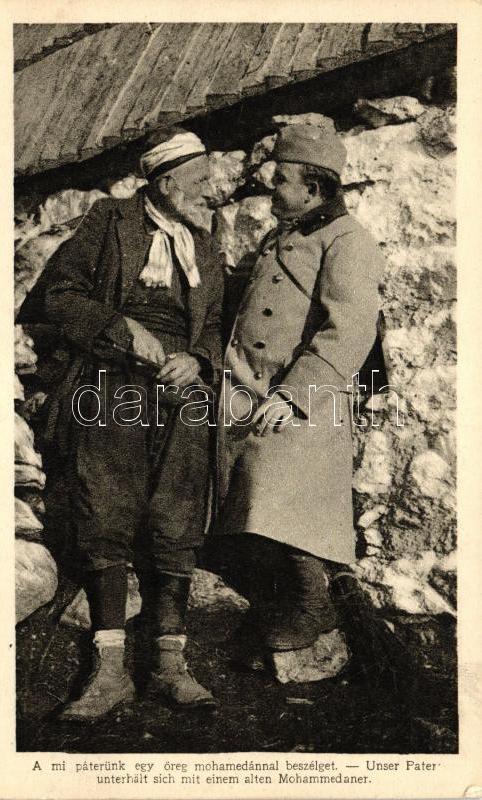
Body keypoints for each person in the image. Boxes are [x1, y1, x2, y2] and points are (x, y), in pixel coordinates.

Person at [21, 127, 223, 718]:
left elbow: (213, 325)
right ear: (165, 184)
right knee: (105, 510)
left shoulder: (205, 244)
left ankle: (168, 664)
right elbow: (52, 298)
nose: (209, 193)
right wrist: (120, 329)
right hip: (111, 383)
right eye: (199, 182)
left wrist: (200, 359)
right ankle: (109, 670)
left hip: (179, 393)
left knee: (175, 515)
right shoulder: (110, 221)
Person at [215, 124, 385, 667]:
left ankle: (314, 604)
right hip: (250, 388)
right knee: (239, 502)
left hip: (307, 396)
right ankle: (278, 606)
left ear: (314, 188)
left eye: (282, 182)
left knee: (284, 504)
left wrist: (295, 396)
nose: (272, 192)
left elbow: (350, 327)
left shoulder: (348, 241)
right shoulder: (281, 235)